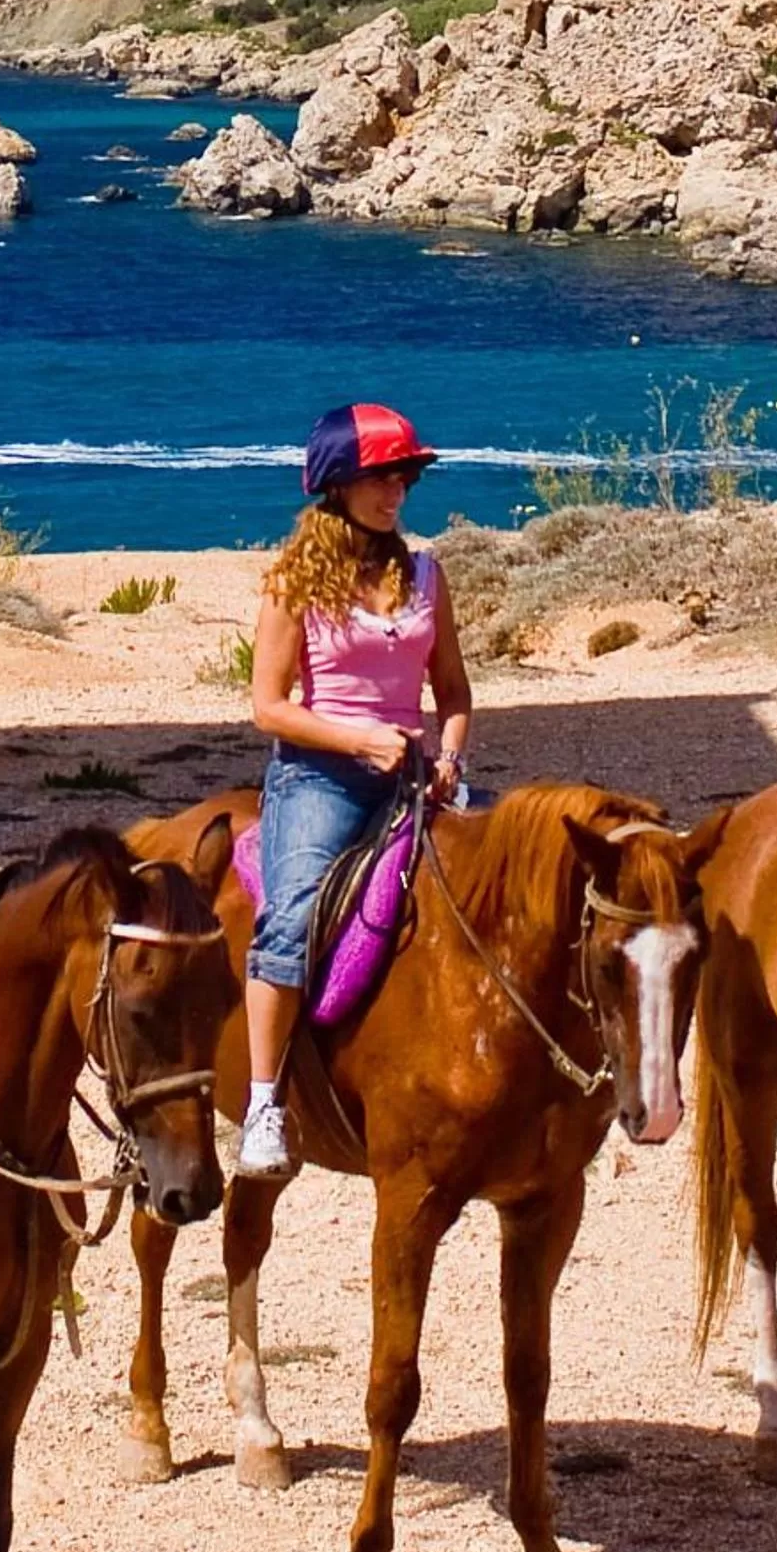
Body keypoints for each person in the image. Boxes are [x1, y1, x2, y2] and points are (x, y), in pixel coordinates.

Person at [237, 405, 473, 1177]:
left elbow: (454, 692)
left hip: (413, 770)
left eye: (403, 475)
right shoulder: (292, 583)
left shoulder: (427, 574)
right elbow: (269, 706)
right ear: (338, 485)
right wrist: (360, 740)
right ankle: (264, 1104)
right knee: (291, 917)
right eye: (381, 476)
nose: (397, 490)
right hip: (321, 772)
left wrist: (450, 757)